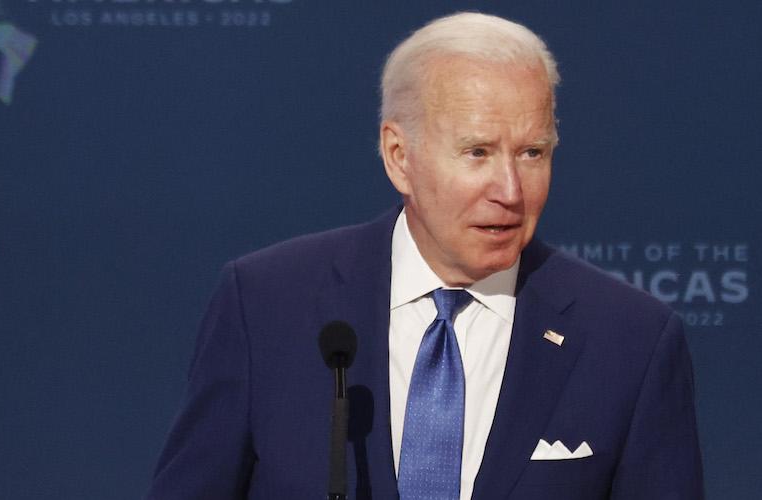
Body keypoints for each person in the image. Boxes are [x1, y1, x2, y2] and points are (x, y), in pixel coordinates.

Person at [148, 12, 703, 500]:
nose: (510, 189)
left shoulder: (630, 341)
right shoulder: (265, 305)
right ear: (399, 156)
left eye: (533, 152)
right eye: (477, 152)